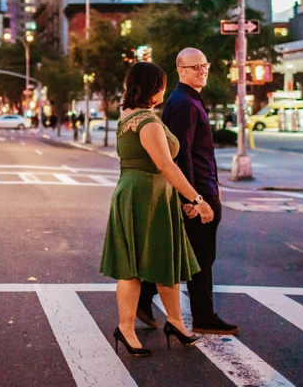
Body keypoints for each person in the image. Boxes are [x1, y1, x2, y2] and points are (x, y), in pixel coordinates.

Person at [100, 62, 214, 356]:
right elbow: (166, 165)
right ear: (154, 87)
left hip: (141, 193)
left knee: (159, 262)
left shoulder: (128, 115)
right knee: (138, 267)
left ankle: (174, 322)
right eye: (162, 83)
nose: (165, 88)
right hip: (146, 196)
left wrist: (181, 199)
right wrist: (196, 200)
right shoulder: (147, 122)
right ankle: (127, 328)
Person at [137, 48, 239, 336]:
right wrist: (191, 199)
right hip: (197, 195)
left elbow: (199, 152)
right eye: (195, 67)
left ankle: (144, 297)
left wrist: (214, 185)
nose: (202, 70)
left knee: (187, 254)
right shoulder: (184, 103)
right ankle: (202, 316)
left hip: (203, 190)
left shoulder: (189, 100)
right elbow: (180, 155)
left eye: (205, 65)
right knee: (199, 258)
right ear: (181, 70)